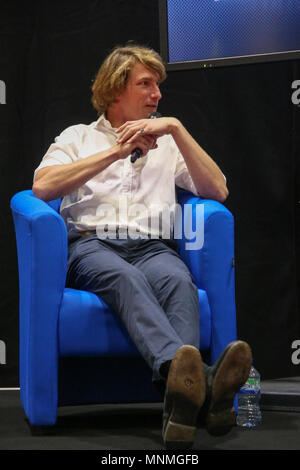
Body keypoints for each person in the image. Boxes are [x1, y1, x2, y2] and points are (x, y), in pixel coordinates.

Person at [32, 43, 251, 449]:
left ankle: (181, 408)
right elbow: (43, 186)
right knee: (124, 278)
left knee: (178, 282)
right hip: (92, 246)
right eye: (146, 84)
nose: (157, 95)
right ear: (116, 90)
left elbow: (217, 189)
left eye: (158, 86)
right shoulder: (77, 137)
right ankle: (194, 381)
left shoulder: (166, 142)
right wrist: (115, 153)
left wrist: (176, 129)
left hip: (152, 247)